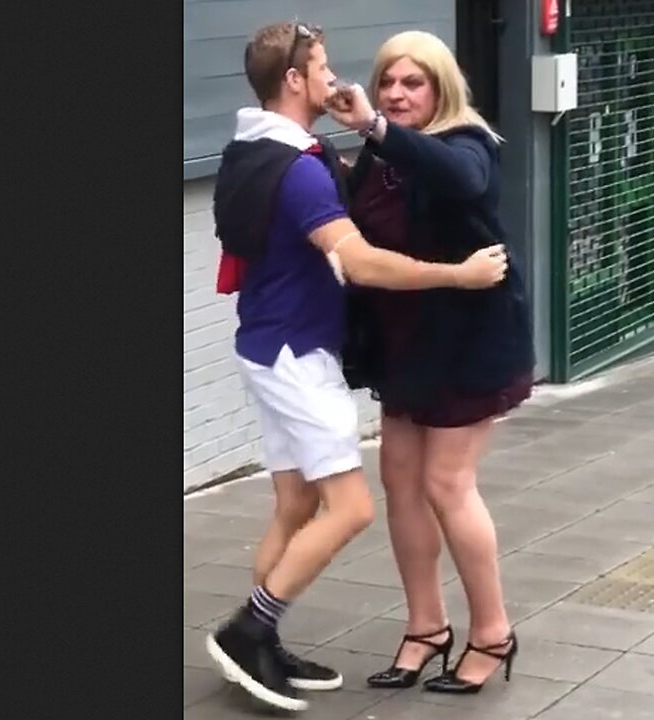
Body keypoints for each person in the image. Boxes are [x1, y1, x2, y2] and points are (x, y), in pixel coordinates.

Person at [204, 21, 509, 713]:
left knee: (295, 505)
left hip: (267, 344)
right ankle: (249, 629)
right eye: (321, 66)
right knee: (350, 509)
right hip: (294, 355)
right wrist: (457, 275)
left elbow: (457, 174)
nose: (334, 77)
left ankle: (263, 641)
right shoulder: (301, 169)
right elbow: (361, 261)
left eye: (412, 82)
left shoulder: (252, 145)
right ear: (294, 80)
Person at [327, 30, 535, 695]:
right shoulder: (379, 156)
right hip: (407, 343)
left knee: (448, 485)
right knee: (401, 484)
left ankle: (494, 631)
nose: (394, 93)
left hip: (471, 343)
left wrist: (376, 125)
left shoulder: (467, 141)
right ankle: (425, 627)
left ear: (440, 87)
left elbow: (460, 180)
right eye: (387, 81)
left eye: (411, 83)